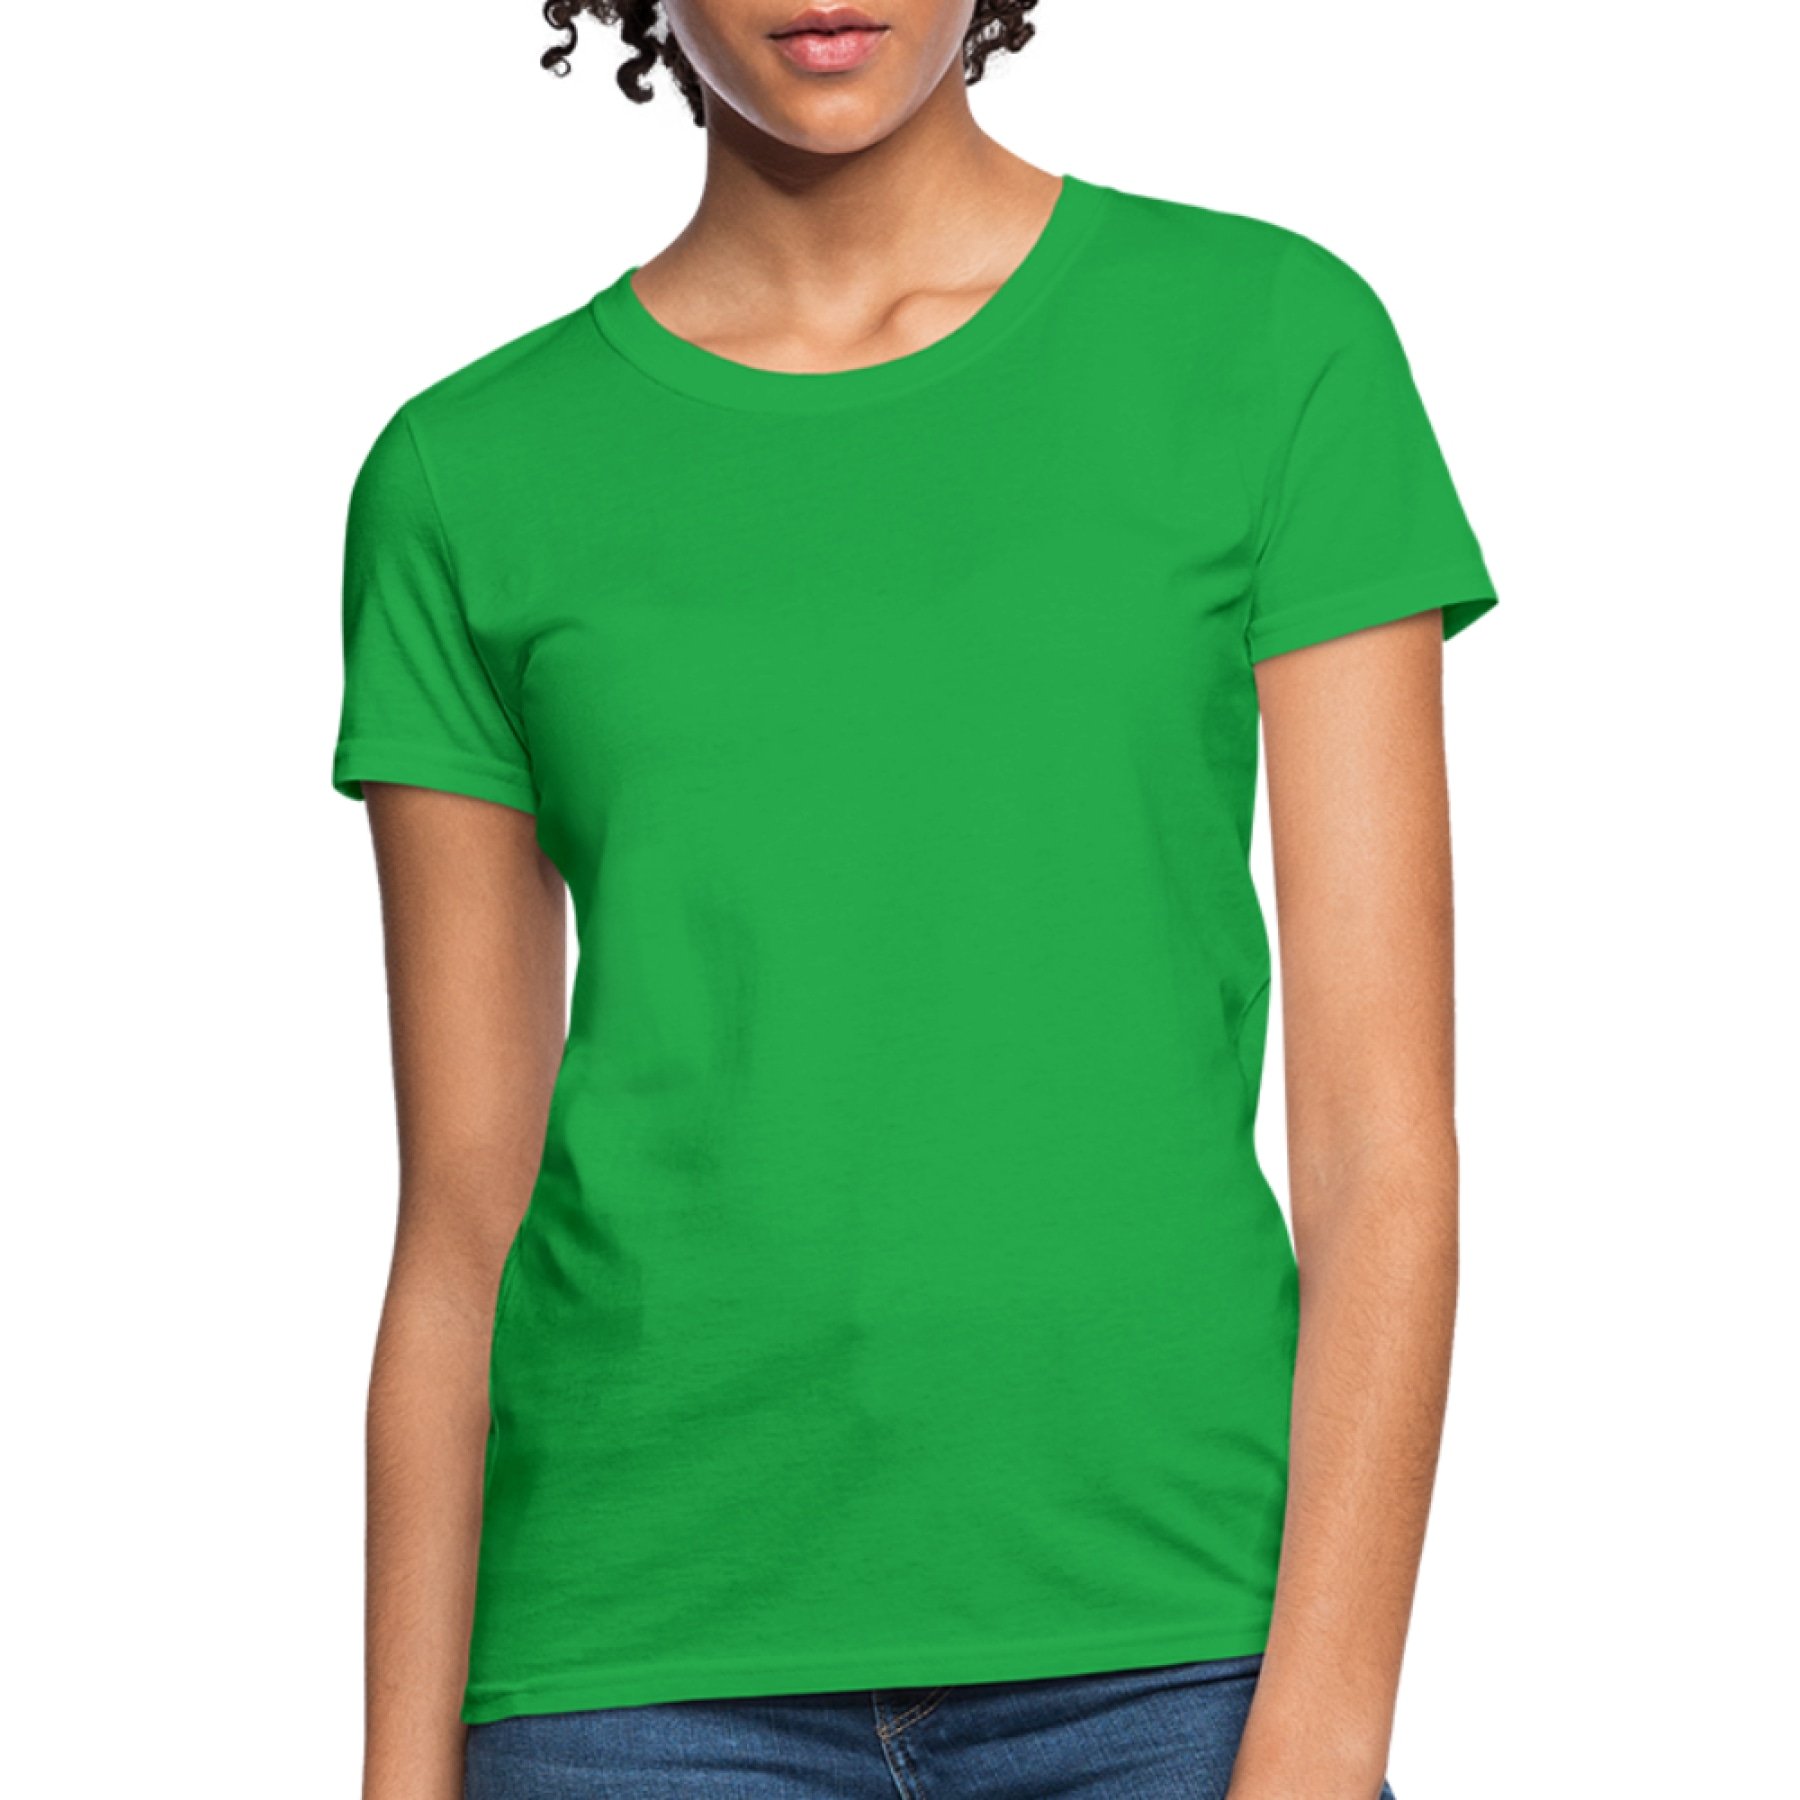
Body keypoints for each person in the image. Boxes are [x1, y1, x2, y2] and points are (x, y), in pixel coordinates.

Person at [331, 3, 1497, 1794]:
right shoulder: (466, 473)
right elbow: (457, 1233)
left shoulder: (1269, 345)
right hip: (629, 1677)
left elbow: (1380, 1147)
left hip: (1173, 1655)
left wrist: (1324, 1735)